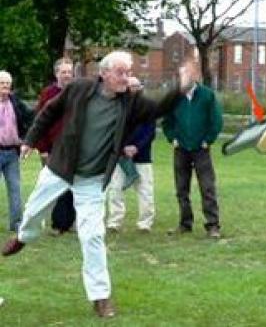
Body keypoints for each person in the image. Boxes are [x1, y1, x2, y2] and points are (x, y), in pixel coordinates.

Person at [2, 51, 182, 318]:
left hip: (92, 179)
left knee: (93, 235)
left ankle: (100, 296)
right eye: (120, 72)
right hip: (60, 168)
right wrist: (30, 139)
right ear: (104, 74)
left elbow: (159, 108)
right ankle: (23, 237)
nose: (126, 77)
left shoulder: (131, 102)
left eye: (129, 71)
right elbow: (49, 111)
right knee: (31, 213)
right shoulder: (79, 89)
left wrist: (183, 83)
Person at [162, 63, 223, 238]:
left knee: (207, 187)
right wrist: (172, 137)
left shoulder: (207, 95)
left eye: (187, 75)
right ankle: (185, 224)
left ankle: (212, 225)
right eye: (181, 75)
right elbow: (167, 121)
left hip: (201, 149)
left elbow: (216, 121)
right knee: (181, 188)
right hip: (181, 149)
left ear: (195, 76)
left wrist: (207, 140)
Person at [107, 77, 156, 233]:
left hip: (142, 156)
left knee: (145, 190)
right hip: (120, 157)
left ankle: (145, 223)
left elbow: (150, 132)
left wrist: (136, 147)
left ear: (141, 88)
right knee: (115, 189)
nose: (133, 89)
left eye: (136, 86)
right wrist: (123, 148)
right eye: (130, 86)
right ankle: (114, 222)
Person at [35, 58, 76, 235]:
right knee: (56, 186)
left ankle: (72, 222)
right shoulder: (48, 94)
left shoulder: (78, 92)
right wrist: (42, 148)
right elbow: (39, 122)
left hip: (74, 148)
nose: (67, 75)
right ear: (56, 73)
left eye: (69, 72)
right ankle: (58, 224)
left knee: (74, 186)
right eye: (63, 72)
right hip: (53, 148)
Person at [0, 70, 33, 232]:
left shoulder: (15, 102)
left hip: (12, 153)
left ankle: (16, 223)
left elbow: (31, 117)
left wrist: (26, 138)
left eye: (8, 83)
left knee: (15, 189)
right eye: (2, 83)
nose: (5, 86)